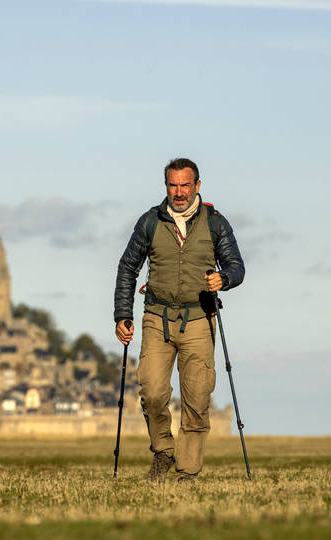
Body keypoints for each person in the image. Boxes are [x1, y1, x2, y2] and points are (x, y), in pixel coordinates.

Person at [114, 158, 245, 484]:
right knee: (153, 392)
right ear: (166, 187)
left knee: (197, 398)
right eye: (173, 185)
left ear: (197, 186)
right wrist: (122, 315)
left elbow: (236, 265)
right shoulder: (150, 221)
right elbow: (127, 268)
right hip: (157, 316)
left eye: (185, 185)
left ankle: (187, 472)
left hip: (200, 317)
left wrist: (223, 279)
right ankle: (163, 451)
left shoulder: (215, 223)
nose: (179, 192)